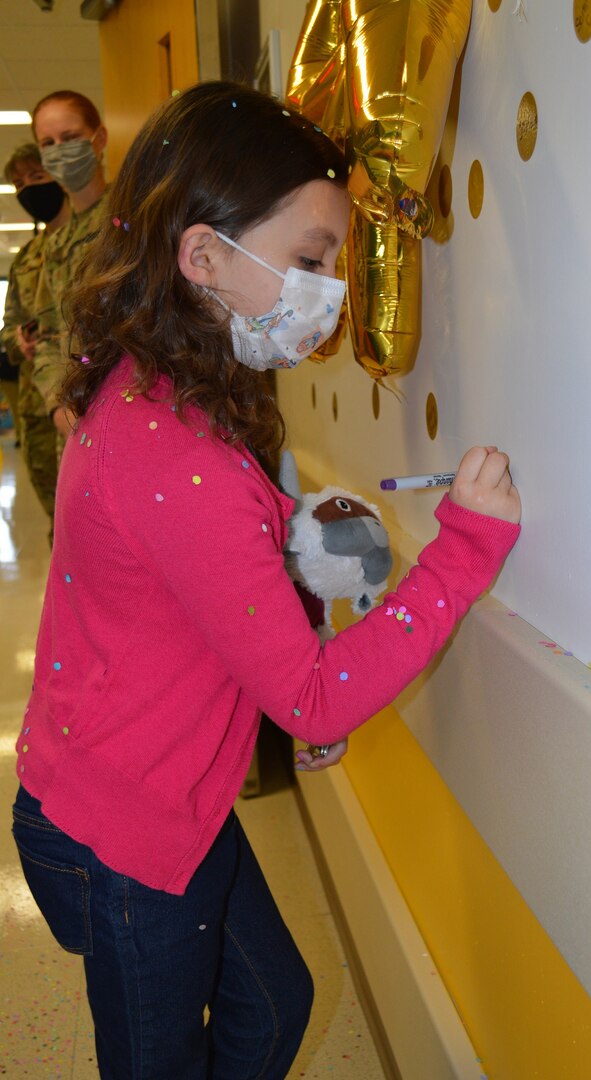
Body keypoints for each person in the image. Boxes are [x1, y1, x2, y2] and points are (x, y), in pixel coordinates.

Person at [11, 81, 521, 1080]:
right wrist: (463, 549)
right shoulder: (176, 450)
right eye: (308, 261)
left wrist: (295, 540)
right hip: (128, 840)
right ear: (202, 256)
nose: (326, 290)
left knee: (275, 1004)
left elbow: (198, 575)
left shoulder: (160, 390)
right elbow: (308, 693)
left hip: (149, 799)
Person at [29, 90, 110, 444]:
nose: (60, 149)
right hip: (74, 426)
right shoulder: (57, 244)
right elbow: (45, 337)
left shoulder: (133, 223)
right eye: (48, 143)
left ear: (99, 138)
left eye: (71, 137)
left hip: (133, 416)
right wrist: (58, 408)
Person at [1, 143, 71, 533]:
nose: (28, 189)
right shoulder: (26, 257)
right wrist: (18, 340)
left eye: (37, 177)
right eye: (18, 183)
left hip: (81, 396)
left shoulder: (96, 241)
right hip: (35, 404)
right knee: (55, 514)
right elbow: (10, 325)